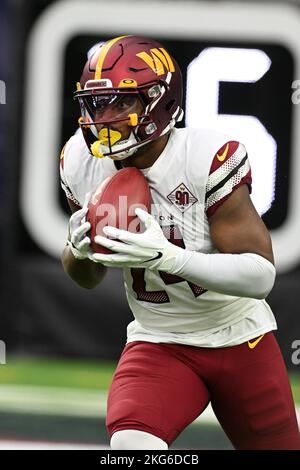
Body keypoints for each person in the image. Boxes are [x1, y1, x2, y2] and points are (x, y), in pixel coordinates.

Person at [60, 35, 300, 450]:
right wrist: (79, 251)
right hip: (159, 341)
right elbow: (86, 277)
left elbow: (261, 275)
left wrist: (169, 257)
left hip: (239, 338)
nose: (106, 118)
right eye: (98, 104)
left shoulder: (205, 157)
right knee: (132, 447)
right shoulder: (81, 162)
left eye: (123, 103)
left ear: (158, 102)